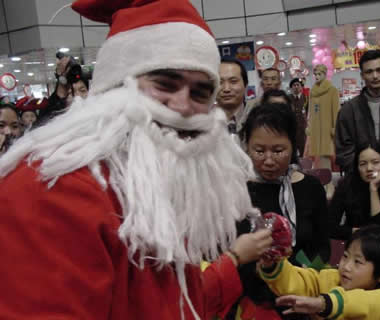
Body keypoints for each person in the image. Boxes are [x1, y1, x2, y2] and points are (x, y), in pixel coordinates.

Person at [0, 1, 274, 319]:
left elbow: (172, 302)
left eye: (200, 93)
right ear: (114, 87)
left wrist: (231, 263)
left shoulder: (156, 188)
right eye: (164, 83)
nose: (183, 106)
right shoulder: (52, 190)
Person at [230, 103, 330, 319]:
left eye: (278, 151)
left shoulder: (310, 189)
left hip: (296, 301)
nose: (268, 160)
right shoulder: (236, 188)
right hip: (244, 300)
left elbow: (322, 247)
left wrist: (300, 276)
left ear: (293, 147)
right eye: (259, 150)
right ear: (246, 147)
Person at [258, 226, 380, 305]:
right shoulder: (328, 279)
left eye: (358, 262)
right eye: (345, 257)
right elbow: (297, 280)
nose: (346, 267)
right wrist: (273, 264)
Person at [329, 143, 380, 240]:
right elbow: (329, 227)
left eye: (375, 162)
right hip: (355, 242)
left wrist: (373, 190)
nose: (369, 168)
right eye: (363, 164)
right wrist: (355, 232)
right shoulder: (347, 185)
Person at [307, 64, 340, 170]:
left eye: (319, 74)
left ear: (325, 74)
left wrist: (335, 128)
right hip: (316, 128)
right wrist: (309, 126)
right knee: (318, 156)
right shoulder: (312, 92)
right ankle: (322, 181)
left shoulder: (332, 90)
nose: (317, 76)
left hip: (327, 129)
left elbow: (336, 111)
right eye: (315, 74)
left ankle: (327, 182)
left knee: (326, 155)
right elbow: (311, 112)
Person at [216, 58, 249, 134]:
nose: (226, 89)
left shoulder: (259, 119)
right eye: (220, 82)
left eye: (233, 81)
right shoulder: (201, 123)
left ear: (246, 85)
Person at [288, 78, 308, 156]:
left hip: (303, 129)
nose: (296, 87)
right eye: (294, 85)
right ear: (291, 88)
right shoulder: (287, 98)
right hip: (291, 129)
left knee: (304, 151)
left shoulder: (306, 98)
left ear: (301, 87)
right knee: (291, 151)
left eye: (298, 85)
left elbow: (309, 113)